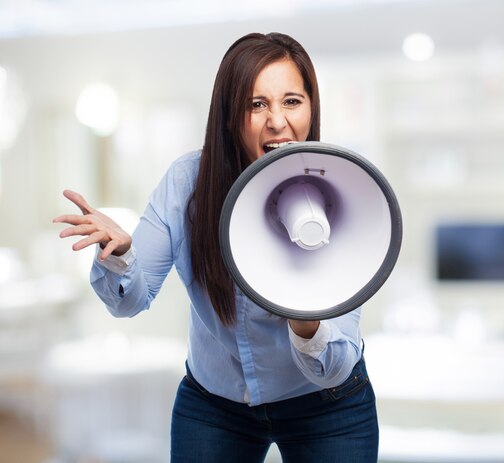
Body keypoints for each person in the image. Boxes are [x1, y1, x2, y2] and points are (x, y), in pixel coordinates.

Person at [53, 32, 378, 462]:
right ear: (229, 115)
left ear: (311, 108)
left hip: (326, 404)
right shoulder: (189, 183)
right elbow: (128, 302)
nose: (277, 120)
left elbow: (334, 367)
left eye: (292, 101)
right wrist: (120, 253)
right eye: (256, 104)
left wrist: (305, 325)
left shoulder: (345, 191)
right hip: (215, 405)